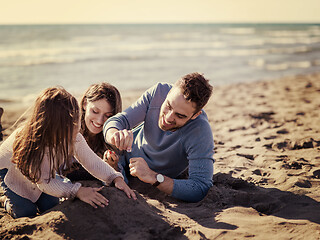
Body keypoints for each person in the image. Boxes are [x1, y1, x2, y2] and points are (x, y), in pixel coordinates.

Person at [0, 87, 136, 219]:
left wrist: (114, 177)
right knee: (25, 211)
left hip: (41, 173)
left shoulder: (74, 136)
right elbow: (44, 183)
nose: (77, 125)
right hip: (12, 170)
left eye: (76, 118)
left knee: (50, 205)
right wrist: (77, 191)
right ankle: (5, 201)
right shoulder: (33, 143)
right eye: (71, 122)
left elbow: (92, 161)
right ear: (53, 126)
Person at [103, 72, 214, 202]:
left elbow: (199, 187)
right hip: (121, 157)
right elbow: (119, 120)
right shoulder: (158, 92)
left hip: (153, 177)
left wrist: (153, 177)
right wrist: (114, 135)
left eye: (180, 116)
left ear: (195, 115)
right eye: (168, 106)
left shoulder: (200, 130)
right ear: (169, 93)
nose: (167, 118)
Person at [66, 83, 121, 180]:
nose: (100, 121)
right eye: (95, 111)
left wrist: (112, 168)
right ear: (85, 104)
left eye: (108, 115)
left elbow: (121, 178)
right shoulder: (69, 131)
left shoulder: (114, 140)